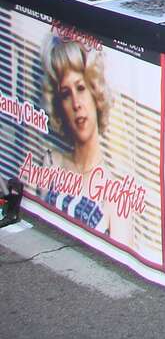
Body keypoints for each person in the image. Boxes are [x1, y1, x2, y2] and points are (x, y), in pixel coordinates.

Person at [38, 37, 131, 244]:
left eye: (80, 88)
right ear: (59, 105)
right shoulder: (53, 163)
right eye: (65, 94)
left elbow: (124, 272)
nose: (76, 103)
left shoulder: (115, 190)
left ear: (95, 93)